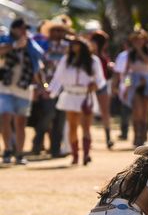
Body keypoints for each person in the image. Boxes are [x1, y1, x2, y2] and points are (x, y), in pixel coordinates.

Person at [48, 37, 106, 165]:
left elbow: (100, 80)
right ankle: (75, 155)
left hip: (86, 96)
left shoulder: (93, 61)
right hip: (70, 95)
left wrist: (94, 85)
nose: (74, 47)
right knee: (72, 127)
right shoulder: (66, 60)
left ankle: (86, 154)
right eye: (72, 45)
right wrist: (51, 92)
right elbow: (58, 78)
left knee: (86, 126)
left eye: (77, 45)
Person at [0, 18, 45, 164]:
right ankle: (7, 150)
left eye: (25, 29)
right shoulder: (5, 40)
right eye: (21, 28)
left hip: (24, 88)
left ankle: (19, 154)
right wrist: (14, 46)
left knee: (21, 122)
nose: (24, 31)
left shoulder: (31, 45)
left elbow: (37, 67)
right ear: (13, 29)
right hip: (5, 87)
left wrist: (42, 85)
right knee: (5, 117)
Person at [31, 21, 71, 157]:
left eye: (61, 31)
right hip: (47, 88)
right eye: (55, 31)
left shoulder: (68, 47)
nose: (58, 34)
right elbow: (38, 67)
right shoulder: (43, 46)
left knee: (60, 120)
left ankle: (55, 149)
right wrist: (40, 86)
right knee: (48, 116)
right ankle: (37, 144)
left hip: (64, 89)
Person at [120, 30, 148, 147]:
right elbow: (127, 72)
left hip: (147, 82)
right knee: (137, 112)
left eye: (140, 39)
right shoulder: (130, 54)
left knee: (145, 112)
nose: (138, 41)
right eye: (135, 40)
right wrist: (126, 87)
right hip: (134, 82)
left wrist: (139, 50)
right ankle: (136, 136)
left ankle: (144, 136)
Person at [88, 30, 116, 150]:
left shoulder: (102, 56)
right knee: (95, 112)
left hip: (101, 85)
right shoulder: (94, 56)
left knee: (102, 112)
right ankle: (106, 137)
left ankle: (107, 137)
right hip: (94, 85)